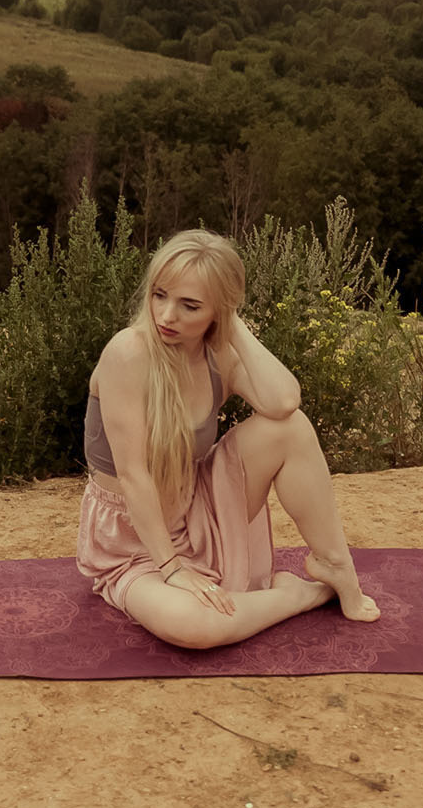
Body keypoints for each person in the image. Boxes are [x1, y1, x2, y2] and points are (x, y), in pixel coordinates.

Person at [77, 228, 379, 649]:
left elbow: (285, 401)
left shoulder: (218, 355)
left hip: (196, 506)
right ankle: (298, 596)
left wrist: (233, 326)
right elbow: (133, 477)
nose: (166, 316)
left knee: (289, 429)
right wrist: (172, 568)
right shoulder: (127, 354)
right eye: (160, 295)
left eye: (190, 305)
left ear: (218, 310)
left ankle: (334, 564)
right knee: (195, 625)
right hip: (134, 539)